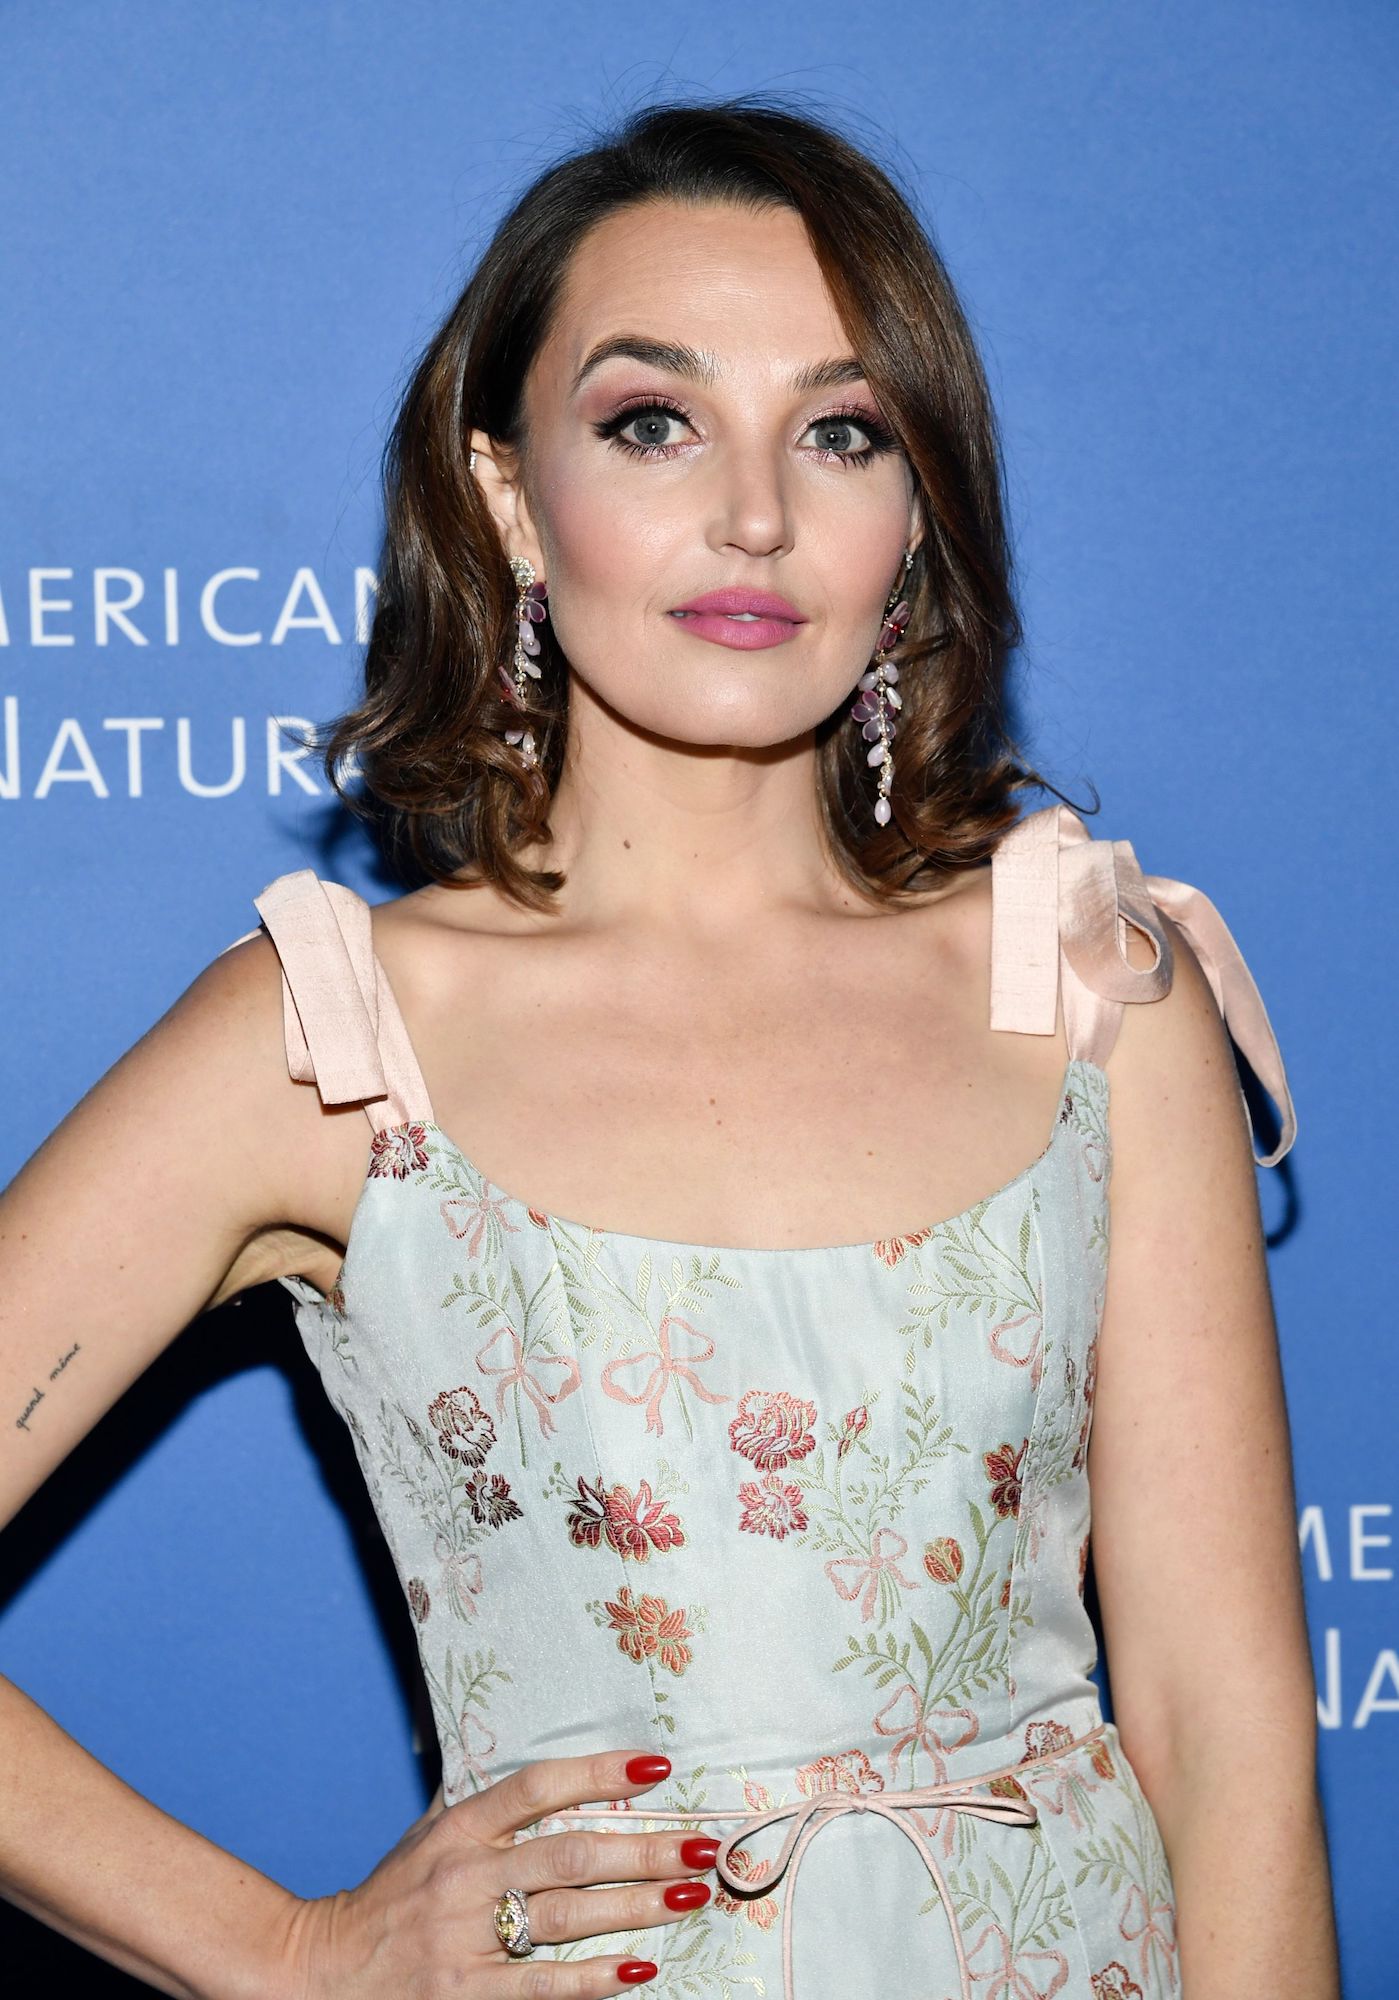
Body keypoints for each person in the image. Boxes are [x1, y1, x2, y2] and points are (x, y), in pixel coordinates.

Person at [0, 95, 1338, 2000]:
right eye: (654, 420)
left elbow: (1230, 1745)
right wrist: (292, 1954)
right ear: (507, 500)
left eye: (843, 430)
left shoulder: (1088, 991)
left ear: (916, 514)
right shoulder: (335, 1043)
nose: (756, 514)